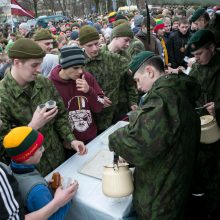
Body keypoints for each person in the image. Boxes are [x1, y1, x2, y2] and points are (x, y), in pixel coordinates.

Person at [108, 51, 201, 219]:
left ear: (150, 72)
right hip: (177, 177)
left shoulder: (163, 99)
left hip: (162, 194)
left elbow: (137, 145)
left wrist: (114, 138)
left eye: (137, 80)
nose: (138, 87)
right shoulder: (177, 88)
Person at [0, 38, 86, 176]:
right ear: (17, 62)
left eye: (40, 64)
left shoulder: (44, 83)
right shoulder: (2, 97)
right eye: (34, 65)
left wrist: (71, 139)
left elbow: (60, 115)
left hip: (58, 158)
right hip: (32, 172)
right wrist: (32, 127)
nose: (39, 70)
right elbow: (4, 149)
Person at [2, 126, 78, 219]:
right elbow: (53, 218)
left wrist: (49, 189)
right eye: (39, 148)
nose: (43, 149)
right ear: (28, 156)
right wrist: (66, 199)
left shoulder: (11, 169)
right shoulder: (38, 190)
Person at [79, 25, 136, 132]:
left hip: (115, 115)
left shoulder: (113, 58)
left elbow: (131, 80)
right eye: (89, 45)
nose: (95, 48)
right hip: (92, 119)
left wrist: (132, 101)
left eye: (96, 43)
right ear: (81, 45)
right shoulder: (77, 65)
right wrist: (96, 97)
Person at [188, 29, 220, 220]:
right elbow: (188, 92)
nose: (196, 59)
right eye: (194, 56)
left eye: (199, 54)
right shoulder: (196, 69)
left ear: (212, 47)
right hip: (202, 135)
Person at [50, 46, 104, 144]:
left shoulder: (86, 77)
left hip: (91, 136)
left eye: (81, 67)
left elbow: (99, 107)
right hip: (68, 143)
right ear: (64, 65)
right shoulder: (50, 84)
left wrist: (89, 91)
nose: (80, 71)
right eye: (75, 67)